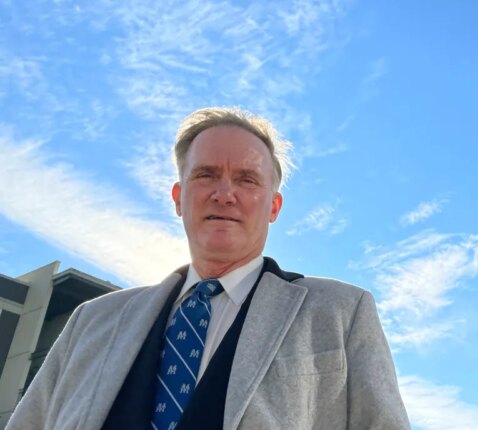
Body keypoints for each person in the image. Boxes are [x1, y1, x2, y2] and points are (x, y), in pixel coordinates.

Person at [7, 107, 411, 429]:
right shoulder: (90, 322)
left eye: (248, 179)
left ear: (273, 206)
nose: (224, 194)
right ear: (178, 198)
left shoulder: (342, 312)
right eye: (206, 174)